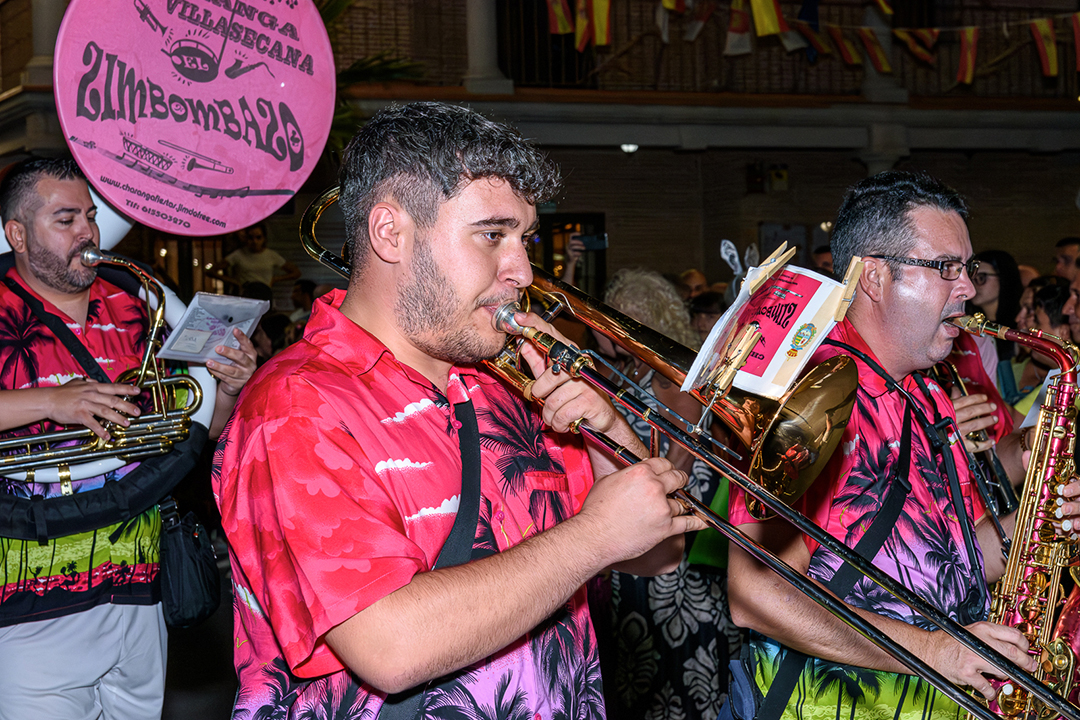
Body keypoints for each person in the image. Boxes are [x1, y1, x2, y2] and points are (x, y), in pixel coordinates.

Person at [213, 101, 705, 719]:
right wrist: (592, 537)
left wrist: (609, 433)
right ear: (391, 233)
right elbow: (388, 645)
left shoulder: (504, 383)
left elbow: (658, 554)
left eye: (522, 238)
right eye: (491, 234)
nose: (523, 270)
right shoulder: (295, 407)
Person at [722, 171, 1070, 720]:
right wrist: (936, 652)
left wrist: (1044, 523)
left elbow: (946, 559)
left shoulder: (925, 388)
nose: (969, 290)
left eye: (968, 269)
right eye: (946, 269)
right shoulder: (812, 394)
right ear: (875, 277)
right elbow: (755, 595)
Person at [0, 157, 257, 720]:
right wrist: (53, 401)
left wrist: (229, 387)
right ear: (16, 234)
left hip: (140, 585)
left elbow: (200, 426)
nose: (88, 233)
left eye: (90, 217)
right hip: (29, 601)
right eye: (65, 219)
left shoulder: (137, 303)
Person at [594, 268, 737, 720]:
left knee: (676, 679)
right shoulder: (626, 372)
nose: (599, 330)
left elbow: (681, 467)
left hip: (675, 559)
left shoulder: (672, 380)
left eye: (611, 321)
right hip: (636, 550)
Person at [968, 249, 1022, 362]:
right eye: (971, 279)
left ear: (1004, 278)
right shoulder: (969, 324)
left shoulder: (1021, 324)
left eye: (981, 278)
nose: (973, 285)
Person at [220, 221, 301, 290]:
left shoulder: (271, 255)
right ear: (246, 238)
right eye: (251, 238)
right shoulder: (238, 254)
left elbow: (295, 272)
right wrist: (235, 282)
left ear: (264, 238)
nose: (255, 241)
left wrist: (274, 279)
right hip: (245, 295)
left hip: (264, 294)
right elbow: (211, 271)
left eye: (258, 237)